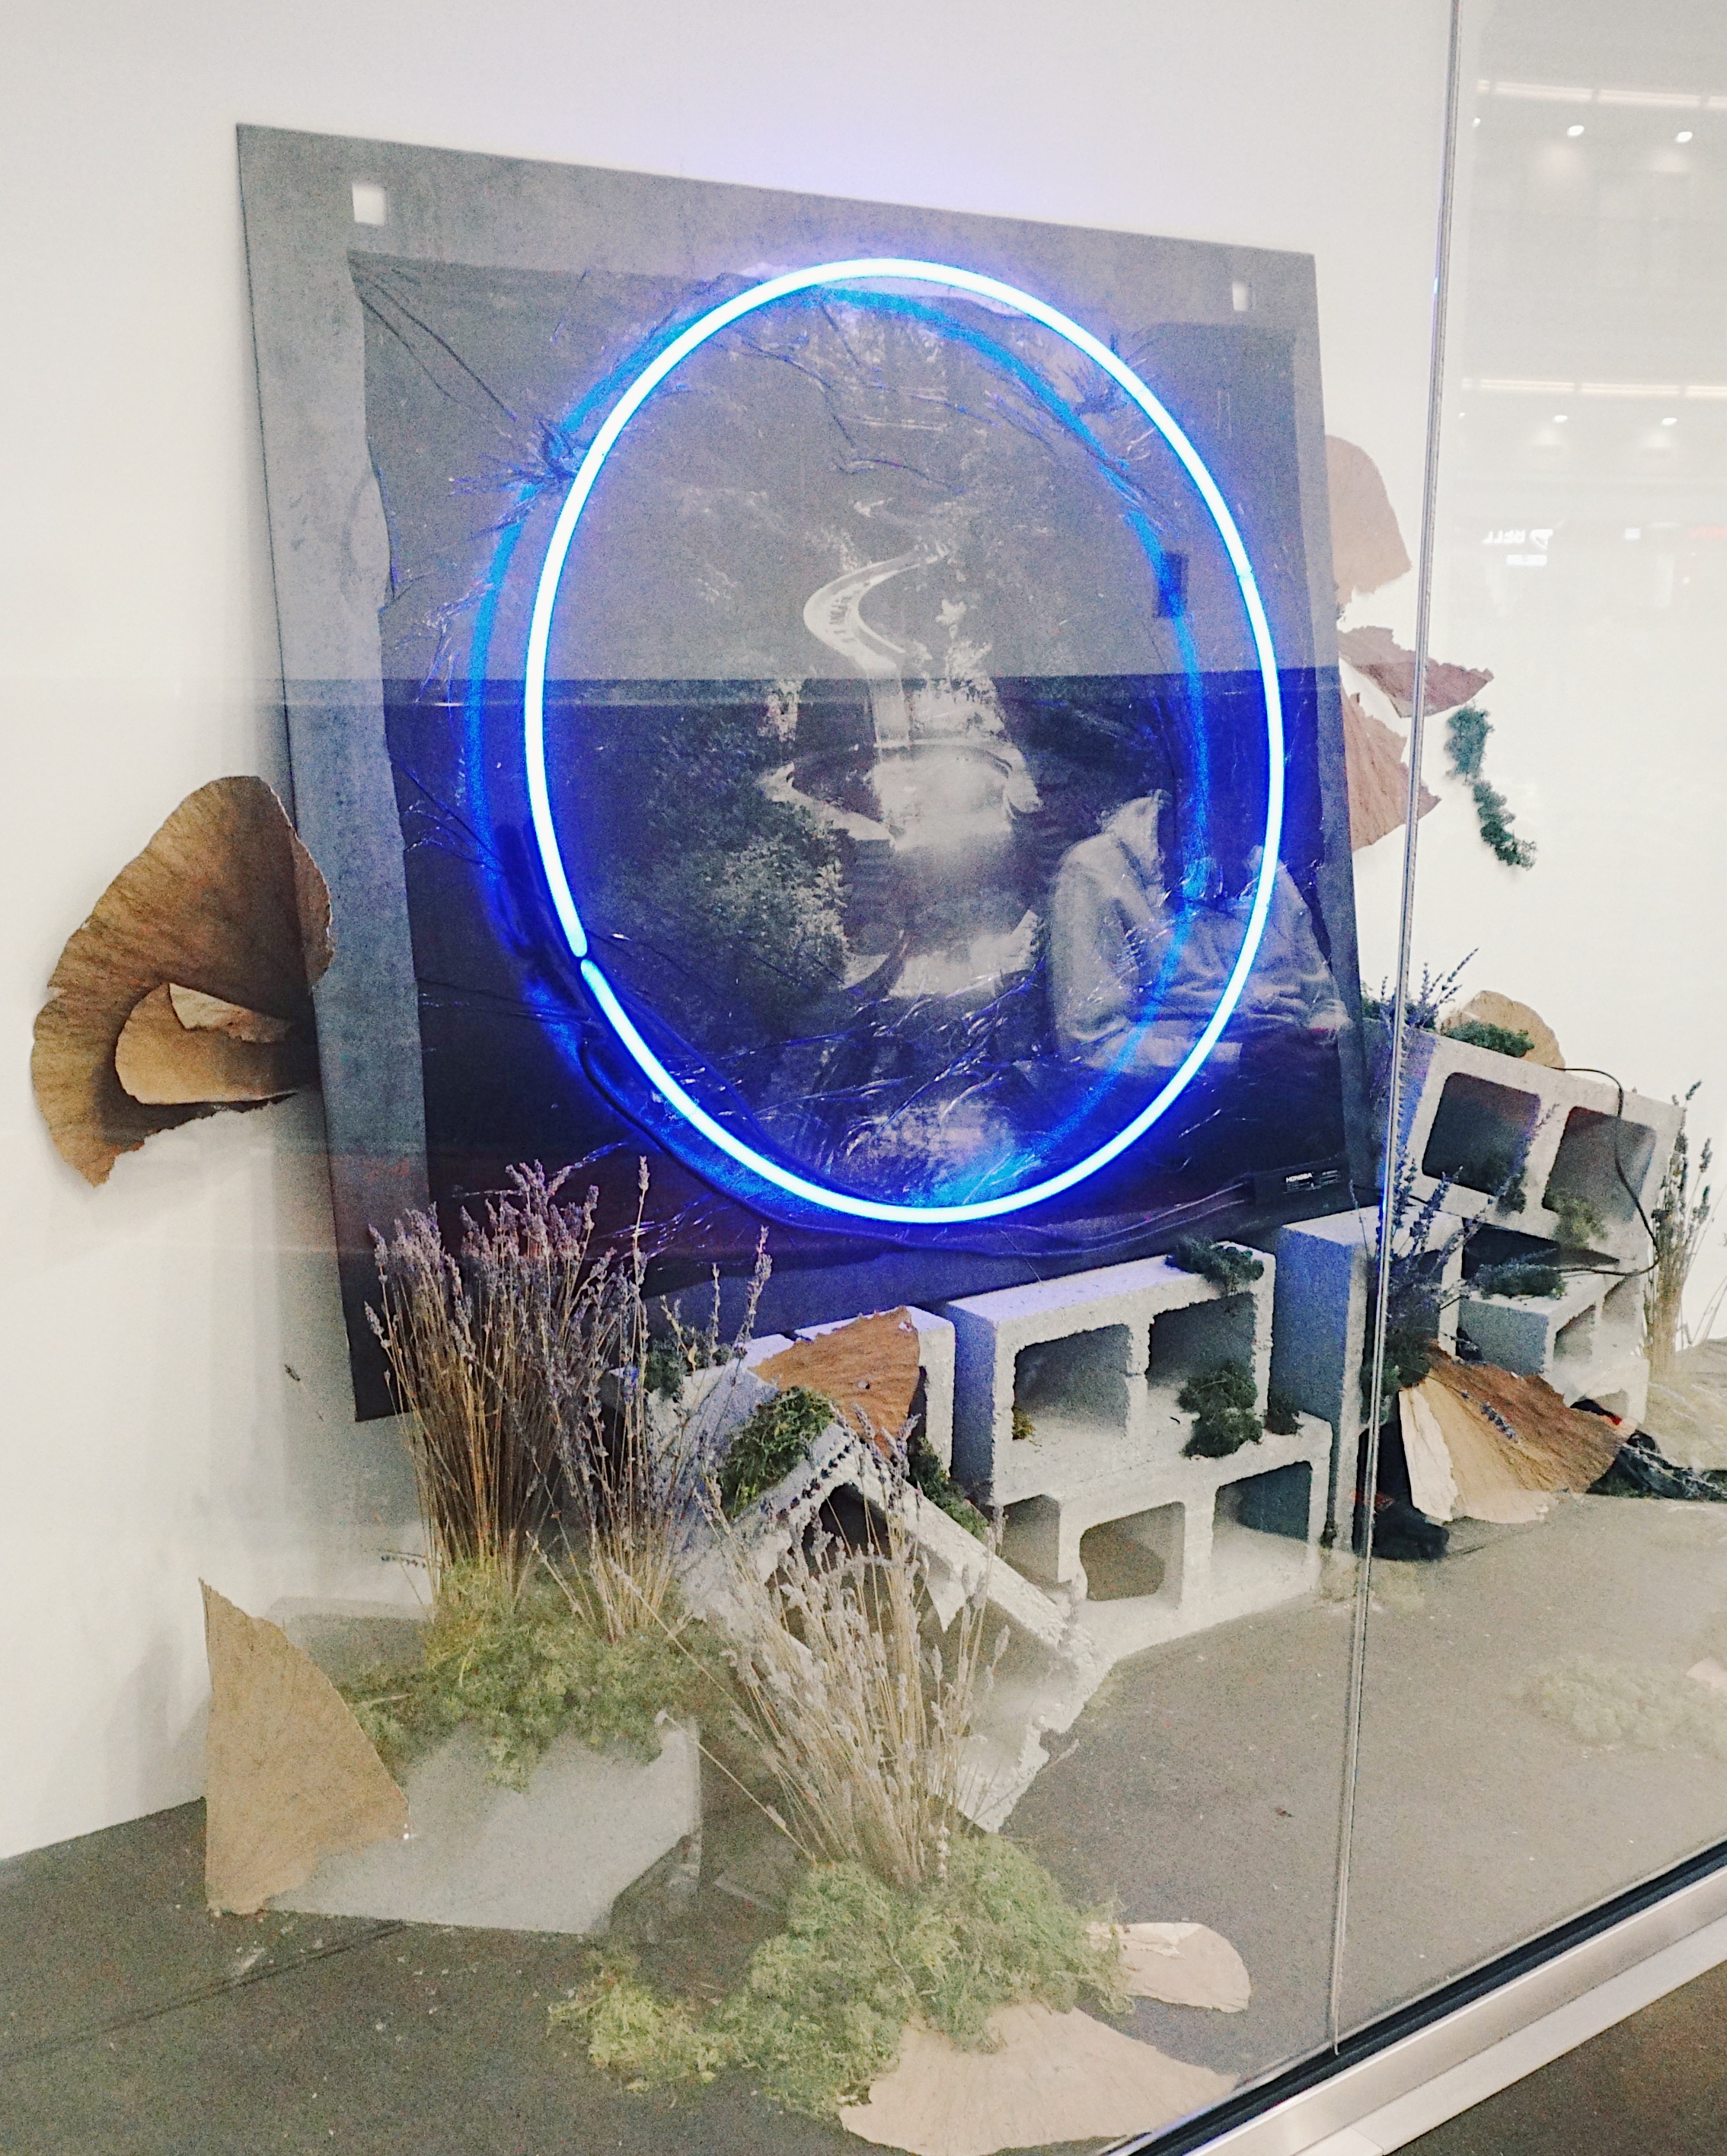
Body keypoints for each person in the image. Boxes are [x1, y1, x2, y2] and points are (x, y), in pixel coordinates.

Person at [1049, 792, 1349, 1080]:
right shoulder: (1097, 872)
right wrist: (1238, 1058)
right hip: (1176, 1094)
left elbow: (1324, 1002)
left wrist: (1320, 1036)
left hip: (1291, 1077)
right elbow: (1091, 1046)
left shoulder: (1262, 867)